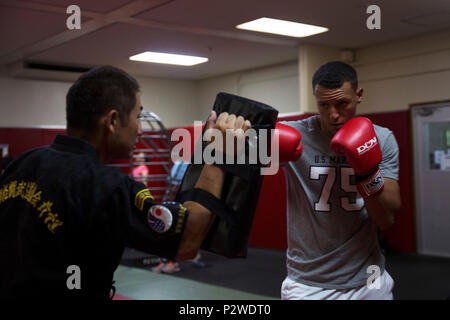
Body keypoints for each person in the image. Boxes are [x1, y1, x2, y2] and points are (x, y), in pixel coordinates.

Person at [0, 66, 251, 299]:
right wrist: (219, 154)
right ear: (112, 121)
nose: (140, 130)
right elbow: (186, 242)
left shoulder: (21, 164)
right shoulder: (108, 187)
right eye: (137, 117)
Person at [279, 61, 401, 300]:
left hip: (369, 280)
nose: (333, 114)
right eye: (323, 105)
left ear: (359, 95)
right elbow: (230, 151)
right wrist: (220, 133)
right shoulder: (294, 135)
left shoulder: (381, 138)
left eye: (342, 103)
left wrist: (366, 172)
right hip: (308, 283)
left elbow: (388, 216)